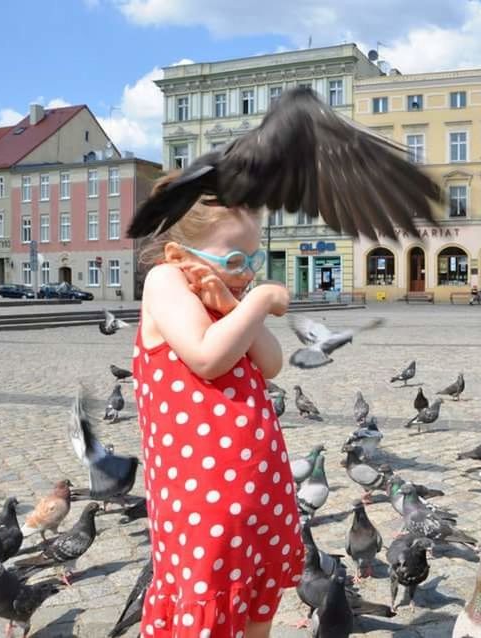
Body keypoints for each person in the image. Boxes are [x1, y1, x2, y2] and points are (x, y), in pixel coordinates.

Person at [132, 174, 302, 638]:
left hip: (257, 488)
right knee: (207, 599)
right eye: (233, 258)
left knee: (255, 603)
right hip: (204, 495)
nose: (247, 271)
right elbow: (207, 357)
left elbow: (271, 363)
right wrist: (263, 298)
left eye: (254, 258)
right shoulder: (166, 282)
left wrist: (233, 302)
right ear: (177, 255)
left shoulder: (227, 299)